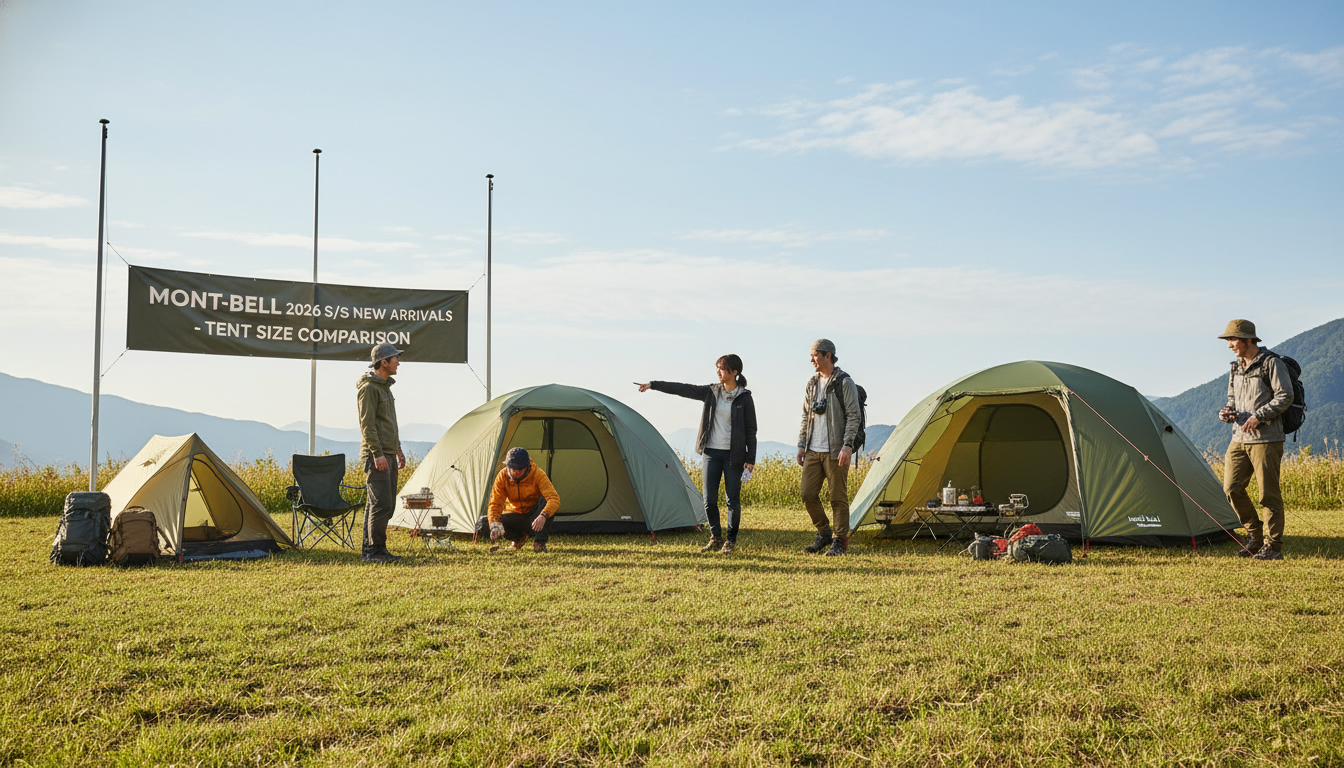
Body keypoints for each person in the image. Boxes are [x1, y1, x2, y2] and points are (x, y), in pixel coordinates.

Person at [636, 355, 758, 553]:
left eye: (723, 369)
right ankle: (715, 537)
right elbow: (683, 389)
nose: (718, 372)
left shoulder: (744, 397)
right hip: (711, 452)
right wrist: (653, 384)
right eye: (717, 368)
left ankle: (730, 541)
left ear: (735, 372)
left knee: (732, 500)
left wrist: (750, 458)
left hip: (733, 456)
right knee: (709, 500)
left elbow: (751, 430)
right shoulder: (711, 392)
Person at [1217, 319, 1293, 561]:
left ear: (1248, 340)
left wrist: (1259, 416)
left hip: (1267, 439)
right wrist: (1227, 412)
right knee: (1231, 488)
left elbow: (1285, 396)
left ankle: (1273, 547)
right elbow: (1232, 399)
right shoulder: (1235, 367)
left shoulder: (1272, 363)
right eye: (1228, 340)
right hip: (1239, 437)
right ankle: (1254, 536)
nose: (1229, 344)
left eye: (1233, 339)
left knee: (1268, 495)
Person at [796, 338, 861, 556]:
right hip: (813, 450)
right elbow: (806, 416)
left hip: (836, 450)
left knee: (838, 497)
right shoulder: (811, 384)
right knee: (807, 493)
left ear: (828, 356)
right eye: (811, 355)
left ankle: (840, 541)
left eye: (815, 355)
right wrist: (801, 445)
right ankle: (824, 533)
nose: (812, 359)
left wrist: (847, 445)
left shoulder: (844, 382)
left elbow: (854, 416)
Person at [357, 341, 406, 563]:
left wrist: (398, 450)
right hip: (376, 455)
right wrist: (377, 454)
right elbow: (367, 425)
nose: (398, 362)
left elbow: (389, 423)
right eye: (395, 358)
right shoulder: (368, 389)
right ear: (383, 362)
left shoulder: (385, 388)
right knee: (381, 504)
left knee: (382, 504)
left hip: (388, 452)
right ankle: (374, 551)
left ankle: (372, 548)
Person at [487, 447, 561, 552]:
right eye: (513, 468)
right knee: (490, 520)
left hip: (535, 517)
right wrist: (494, 524)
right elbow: (495, 503)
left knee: (547, 503)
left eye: (519, 469)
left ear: (527, 467)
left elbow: (554, 499)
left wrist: (543, 515)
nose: (516, 472)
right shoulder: (502, 477)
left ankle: (539, 543)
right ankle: (518, 539)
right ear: (507, 466)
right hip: (515, 515)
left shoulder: (538, 474)